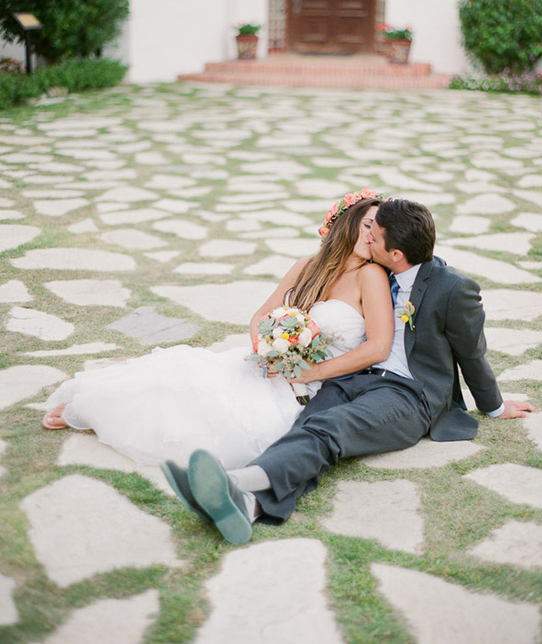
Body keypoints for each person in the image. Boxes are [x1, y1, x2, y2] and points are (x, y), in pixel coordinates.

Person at [163, 197, 534, 544]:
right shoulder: (374, 270)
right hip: (352, 379)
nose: (365, 239)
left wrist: (495, 405)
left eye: (373, 237)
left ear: (396, 254)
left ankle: (233, 482)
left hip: (407, 394)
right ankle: (249, 505)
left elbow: (472, 353)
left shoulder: (452, 288)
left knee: (329, 430)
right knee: (305, 429)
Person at [42, 189, 394, 472]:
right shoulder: (307, 266)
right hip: (266, 365)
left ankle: (99, 413)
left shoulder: (370, 276)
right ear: (346, 222)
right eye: (366, 224)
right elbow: (263, 314)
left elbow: (378, 347)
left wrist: (311, 370)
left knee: (219, 418)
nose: (372, 235)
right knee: (188, 374)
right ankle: (96, 406)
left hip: (309, 384)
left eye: (379, 230)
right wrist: (265, 348)